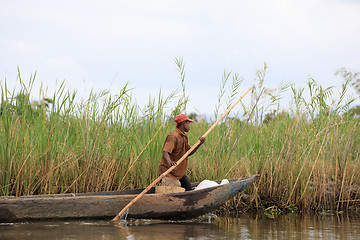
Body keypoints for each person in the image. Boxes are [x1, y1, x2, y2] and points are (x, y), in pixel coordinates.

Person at [158, 114, 205, 191]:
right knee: (174, 188)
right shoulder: (173, 136)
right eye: (188, 123)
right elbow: (165, 152)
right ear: (183, 123)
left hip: (178, 172)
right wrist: (170, 162)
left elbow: (189, 152)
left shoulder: (184, 136)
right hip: (168, 172)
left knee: (188, 188)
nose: (189, 126)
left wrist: (199, 144)